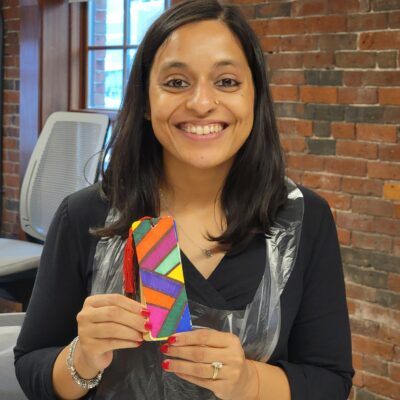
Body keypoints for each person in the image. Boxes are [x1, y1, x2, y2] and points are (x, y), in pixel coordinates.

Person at [14, 1, 354, 399]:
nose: (201, 103)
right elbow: (30, 367)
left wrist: (249, 382)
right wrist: (83, 356)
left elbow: (331, 382)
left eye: (226, 81)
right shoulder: (85, 215)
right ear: (145, 101)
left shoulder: (304, 218)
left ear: (255, 96)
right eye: (176, 82)